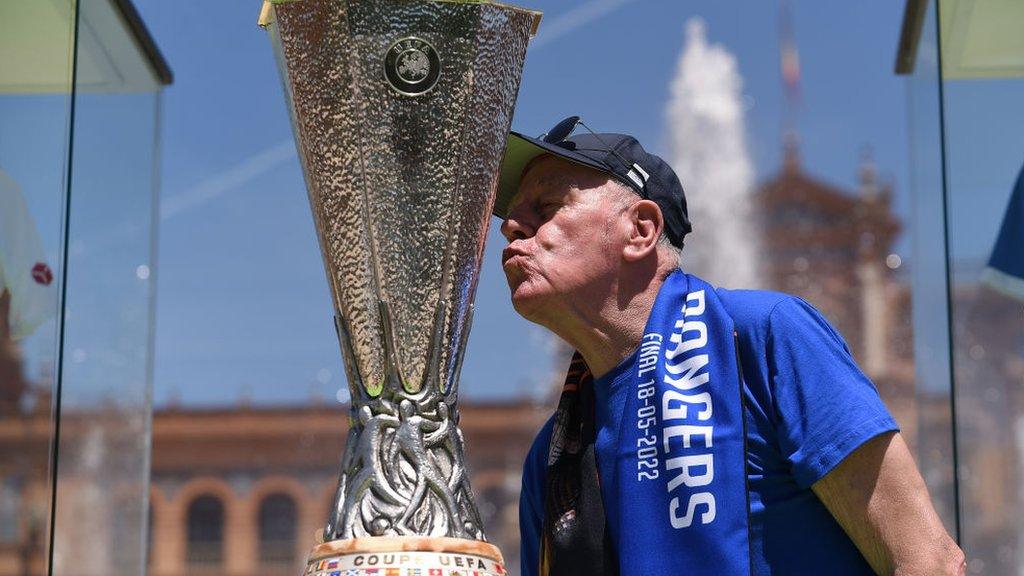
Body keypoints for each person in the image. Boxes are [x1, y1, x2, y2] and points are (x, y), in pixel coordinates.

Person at [492, 117, 965, 576]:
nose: (511, 224)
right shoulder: (554, 457)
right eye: (512, 213)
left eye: (547, 205)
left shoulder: (765, 337)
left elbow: (928, 560)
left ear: (640, 231)